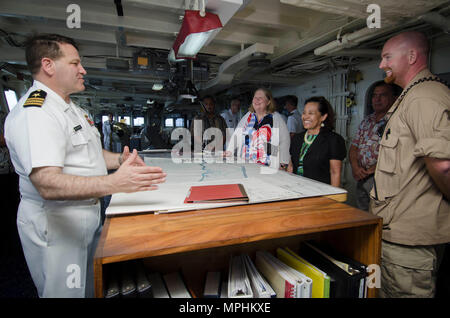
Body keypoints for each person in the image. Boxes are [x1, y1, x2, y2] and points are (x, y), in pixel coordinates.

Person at [4, 34, 167, 298]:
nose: (83, 70)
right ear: (48, 65)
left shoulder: (72, 109)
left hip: (86, 218)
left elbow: (90, 154)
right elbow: (46, 182)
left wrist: (119, 161)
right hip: (57, 226)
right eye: (75, 63)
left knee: (89, 290)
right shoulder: (37, 112)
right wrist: (114, 184)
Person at [371, 31, 450, 298]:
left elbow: (443, 165)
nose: (382, 65)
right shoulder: (411, 95)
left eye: (387, 57)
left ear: (413, 56)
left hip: (409, 241)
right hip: (398, 232)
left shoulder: (424, 97)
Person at [349, 81, 400, 211]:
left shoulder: (397, 121)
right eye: (374, 96)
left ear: (394, 98)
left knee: (381, 214)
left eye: (382, 95)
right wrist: (355, 168)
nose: (377, 99)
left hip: (383, 178)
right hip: (362, 176)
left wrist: (372, 169)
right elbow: (354, 147)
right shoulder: (367, 121)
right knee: (362, 213)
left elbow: (399, 152)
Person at [287, 96, 346, 187]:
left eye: (311, 113)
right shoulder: (297, 138)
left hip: (319, 193)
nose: (305, 117)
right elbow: (291, 166)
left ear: (323, 117)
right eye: (304, 113)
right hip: (296, 190)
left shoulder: (333, 140)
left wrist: (333, 198)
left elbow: (335, 173)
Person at [226, 88, 290, 168]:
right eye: (255, 98)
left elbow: (285, 141)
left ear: (268, 102)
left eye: (260, 98)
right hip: (246, 163)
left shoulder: (276, 118)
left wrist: (283, 162)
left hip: (268, 166)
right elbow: (236, 135)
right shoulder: (248, 116)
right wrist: (229, 151)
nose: (257, 100)